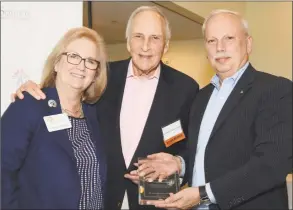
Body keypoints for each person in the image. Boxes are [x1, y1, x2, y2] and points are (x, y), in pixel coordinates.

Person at [11, 6, 199, 210]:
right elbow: (69, 90)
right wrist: (37, 91)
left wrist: (179, 163)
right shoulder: (102, 76)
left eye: (155, 38)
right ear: (128, 42)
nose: (146, 46)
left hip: (155, 201)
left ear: (166, 45)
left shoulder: (185, 88)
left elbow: (192, 149)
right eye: (138, 36)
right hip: (102, 199)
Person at [138, 9, 292, 210]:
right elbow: (205, 156)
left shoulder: (276, 90)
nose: (220, 47)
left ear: (248, 43)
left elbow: (271, 164)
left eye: (229, 38)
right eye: (212, 41)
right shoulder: (201, 97)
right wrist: (179, 164)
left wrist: (204, 195)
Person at [2, 27, 108, 209]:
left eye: (90, 61)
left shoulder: (93, 115)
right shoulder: (30, 105)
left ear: (95, 74)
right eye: (73, 56)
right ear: (57, 63)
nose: (81, 66)